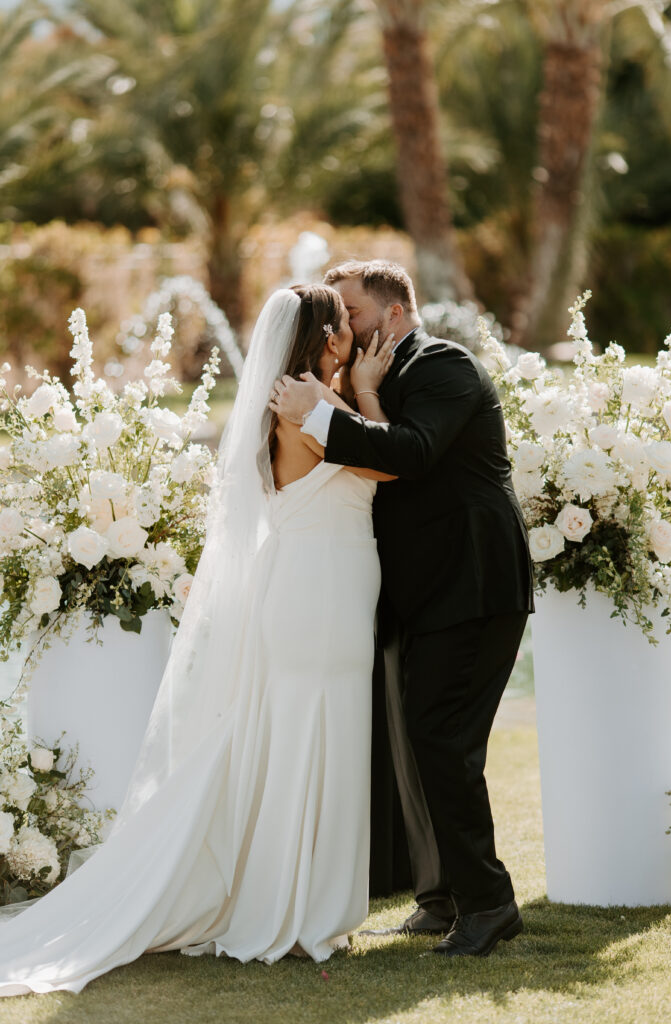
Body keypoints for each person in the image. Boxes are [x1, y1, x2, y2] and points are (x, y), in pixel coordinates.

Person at [0, 284, 396, 997]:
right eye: (342, 325)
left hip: (312, 583)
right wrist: (366, 390)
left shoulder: (283, 396)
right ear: (325, 339)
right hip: (319, 589)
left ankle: (291, 899)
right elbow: (383, 463)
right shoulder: (312, 400)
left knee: (294, 735)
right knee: (312, 734)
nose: (351, 335)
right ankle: (293, 909)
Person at [271, 260, 535, 958]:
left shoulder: (444, 366)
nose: (340, 326)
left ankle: (488, 904)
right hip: (414, 594)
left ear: (390, 313)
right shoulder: (373, 379)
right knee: (417, 745)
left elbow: (411, 455)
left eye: (350, 314)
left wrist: (328, 412)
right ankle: (440, 895)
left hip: (472, 585)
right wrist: (354, 394)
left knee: (441, 739)